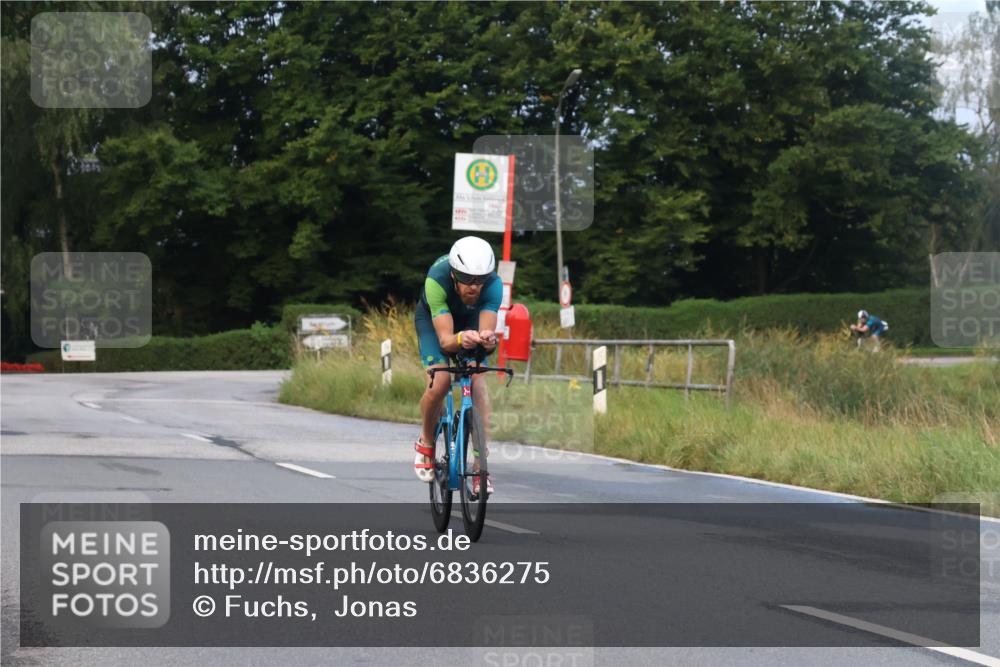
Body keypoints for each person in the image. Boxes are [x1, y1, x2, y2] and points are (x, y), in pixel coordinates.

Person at [413, 236, 501, 497]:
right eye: (466, 279)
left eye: (480, 280)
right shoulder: (436, 280)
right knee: (439, 382)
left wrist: (487, 341)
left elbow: (487, 337)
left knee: (478, 383)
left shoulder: (493, 286)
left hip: (470, 320)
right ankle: (426, 443)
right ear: (453, 274)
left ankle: (480, 465)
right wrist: (462, 338)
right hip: (435, 323)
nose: (474, 287)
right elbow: (446, 341)